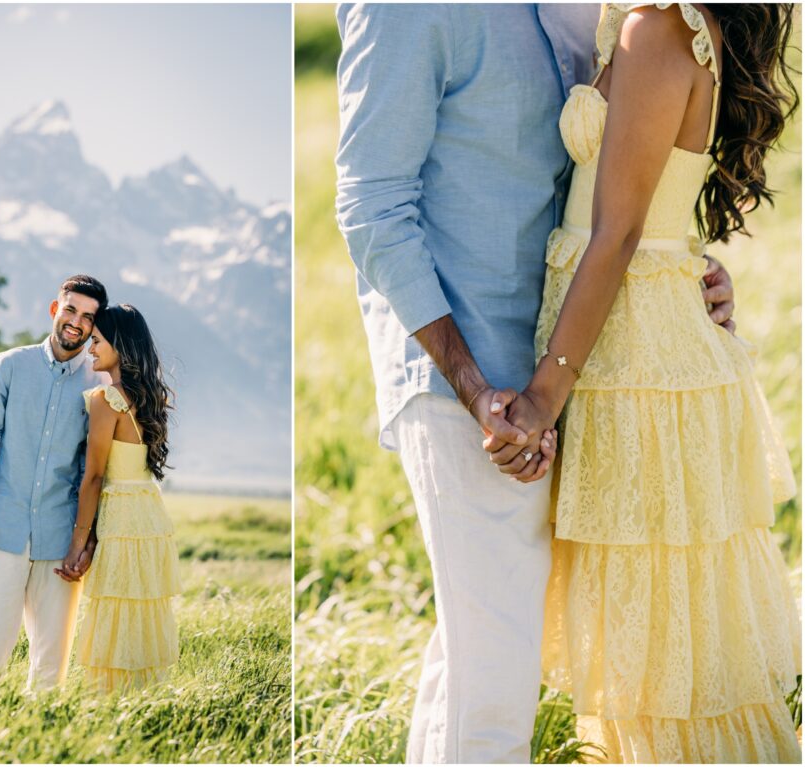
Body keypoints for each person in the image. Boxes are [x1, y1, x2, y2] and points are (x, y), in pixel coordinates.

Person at [334, 4, 737, 762]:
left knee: (478, 650)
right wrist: (473, 385)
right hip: (472, 377)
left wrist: (688, 275)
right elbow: (371, 207)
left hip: (576, 367)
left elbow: (620, 183)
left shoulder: (589, 5)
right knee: (494, 683)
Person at [486, 4, 801, 762]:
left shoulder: (658, 26)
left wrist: (541, 397)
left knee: (659, 653)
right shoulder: (633, 20)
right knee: (645, 642)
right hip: (627, 347)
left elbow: (620, 230)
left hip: (639, 370)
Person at [0, 274, 109, 698]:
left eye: (87, 317)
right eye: (71, 309)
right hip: (0, 533)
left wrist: (88, 540)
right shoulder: (9, 366)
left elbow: (94, 471)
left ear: (94, 327)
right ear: (54, 310)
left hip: (60, 541)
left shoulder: (98, 387)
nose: (76, 322)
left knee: (51, 663)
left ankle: (40, 743)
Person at [60, 304, 181, 693]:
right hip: (148, 513)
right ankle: (142, 697)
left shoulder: (105, 398)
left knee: (115, 608)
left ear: (119, 345)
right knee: (140, 609)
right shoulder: (149, 397)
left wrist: (78, 543)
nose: (91, 350)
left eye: (96, 341)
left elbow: (94, 477)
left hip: (122, 515)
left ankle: (111, 699)